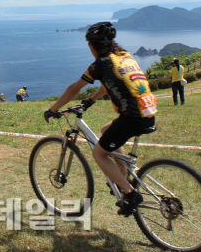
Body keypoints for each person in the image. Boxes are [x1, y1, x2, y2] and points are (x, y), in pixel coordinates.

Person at [44, 22, 157, 217]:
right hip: (148, 112)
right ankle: (123, 179)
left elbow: (74, 88)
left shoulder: (101, 63)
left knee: (99, 154)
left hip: (133, 117)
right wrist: (91, 99)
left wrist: (53, 109)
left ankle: (130, 194)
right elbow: (107, 83)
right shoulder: (123, 56)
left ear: (92, 46)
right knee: (106, 131)